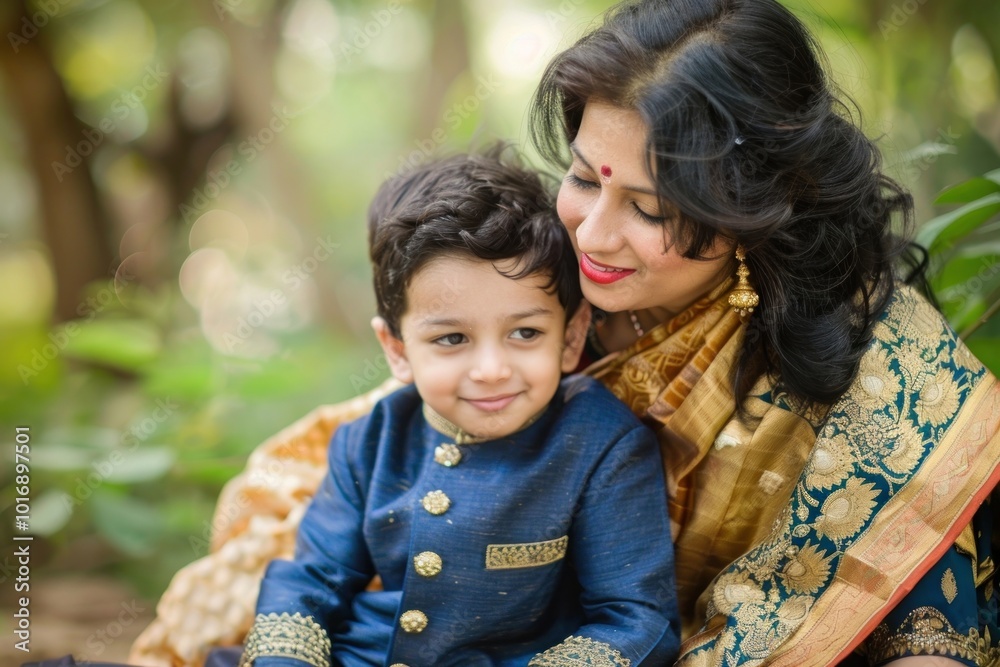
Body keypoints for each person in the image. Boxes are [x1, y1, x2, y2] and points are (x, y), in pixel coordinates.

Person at [129, 1, 1000, 666]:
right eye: (584, 178)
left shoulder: (881, 368)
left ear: (753, 212)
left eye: (650, 208)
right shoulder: (544, 287)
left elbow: (915, 568)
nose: (590, 234)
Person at [235, 148, 679, 667]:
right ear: (397, 350)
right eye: (451, 339)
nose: (491, 369)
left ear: (572, 334)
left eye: (525, 332)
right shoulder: (370, 441)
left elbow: (638, 618)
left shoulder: (602, 445)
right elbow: (312, 580)